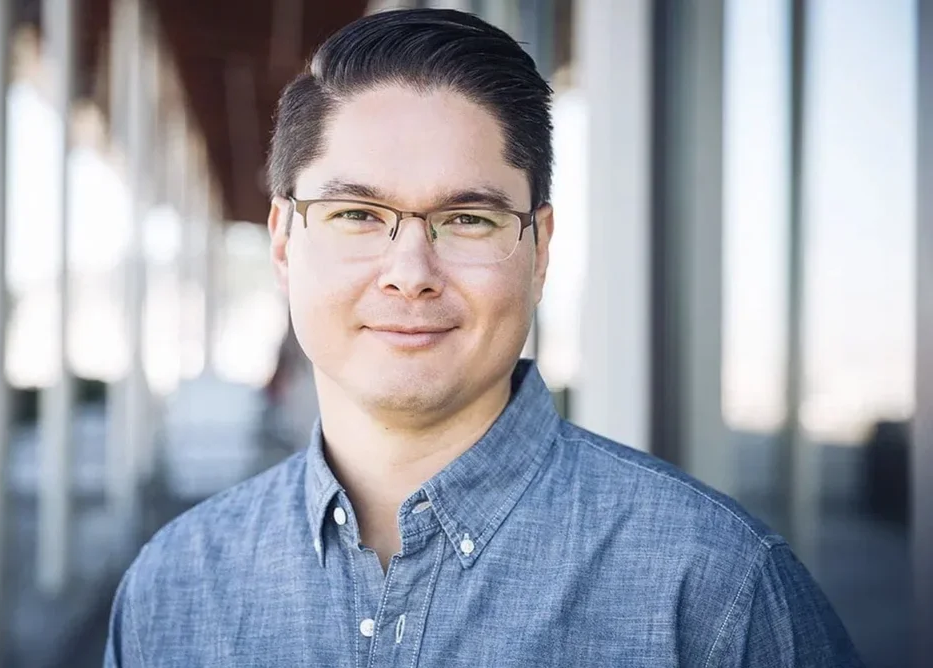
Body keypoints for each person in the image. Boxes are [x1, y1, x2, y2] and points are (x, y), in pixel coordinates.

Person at [104, 8, 862, 667]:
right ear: (282, 243)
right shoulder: (173, 588)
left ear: (540, 250)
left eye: (468, 219)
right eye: (358, 215)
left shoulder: (715, 590)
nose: (411, 273)